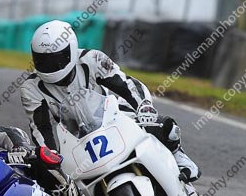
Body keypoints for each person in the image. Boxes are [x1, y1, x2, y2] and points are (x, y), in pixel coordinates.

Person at [21, 20, 201, 183]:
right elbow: (40, 128)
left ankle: (179, 157)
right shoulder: (31, 88)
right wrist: (49, 154)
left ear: (71, 50)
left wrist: (143, 105)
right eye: (42, 60)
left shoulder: (92, 59)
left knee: (166, 127)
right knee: (47, 177)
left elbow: (126, 84)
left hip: (113, 119)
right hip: (75, 139)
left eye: (56, 58)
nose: (50, 65)